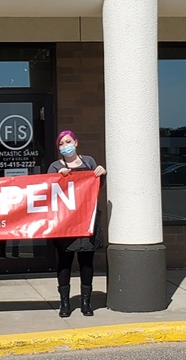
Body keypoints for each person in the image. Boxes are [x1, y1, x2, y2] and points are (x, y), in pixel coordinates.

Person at [47, 130, 106, 318]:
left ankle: (86, 303)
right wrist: (59, 177)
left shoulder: (89, 161)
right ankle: (64, 303)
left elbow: (96, 188)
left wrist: (101, 174)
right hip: (65, 223)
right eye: (61, 144)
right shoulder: (55, 166)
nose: (65, 146)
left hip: (86, 220)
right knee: (64, 262)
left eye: (68, 142)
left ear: (76, 142)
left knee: (86, 262)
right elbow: (47, 190)